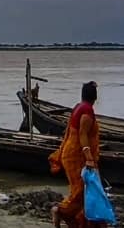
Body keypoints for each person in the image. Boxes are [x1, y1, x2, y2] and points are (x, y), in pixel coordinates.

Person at [49, 81, 101, 227]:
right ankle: (59, 211)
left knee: (83, 192)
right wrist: (89, 158)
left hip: (71, 154)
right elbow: (82, 135)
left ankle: (81, 222)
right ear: (95, 97)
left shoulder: (79, 106)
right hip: (76, 157)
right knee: (80, 193)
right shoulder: (87, 111)